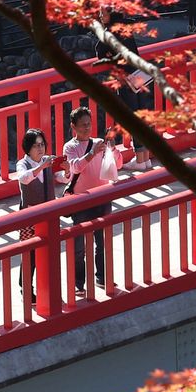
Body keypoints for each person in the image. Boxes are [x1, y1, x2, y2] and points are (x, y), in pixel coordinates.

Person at [63, 106, 123, 297]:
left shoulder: (98, 143)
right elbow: (75, 167)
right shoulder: (70, 147)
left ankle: (102, 276)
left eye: (89, 124)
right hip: (81, 200)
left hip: (102, 196)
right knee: (79, 246)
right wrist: (92, 154)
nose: (87, 128)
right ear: (73, 126)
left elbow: (118, 164)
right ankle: (78, 282)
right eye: (82, 125)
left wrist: (112, 148)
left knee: (102, 242)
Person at [93, 6, 152, 171]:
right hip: (139, 73)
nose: (100, 16)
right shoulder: (125, 26)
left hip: (127, 78)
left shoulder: (109, 32)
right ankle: (145, 158)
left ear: (111, 14)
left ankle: (140, 160)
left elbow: (99, 51)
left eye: (102, 13)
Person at [15, 128, 64, 294]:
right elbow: (24, 178)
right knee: (30, 254)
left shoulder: (46, 161)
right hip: (30, 214)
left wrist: (68, 171)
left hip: (48, 213)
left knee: (49, 252)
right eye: (36, 145)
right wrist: (42, 166)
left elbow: (59, 178)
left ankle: (48, 288)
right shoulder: (23, 164)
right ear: (28, 148)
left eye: (42, 144)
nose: (40, 148)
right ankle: (26, 288)